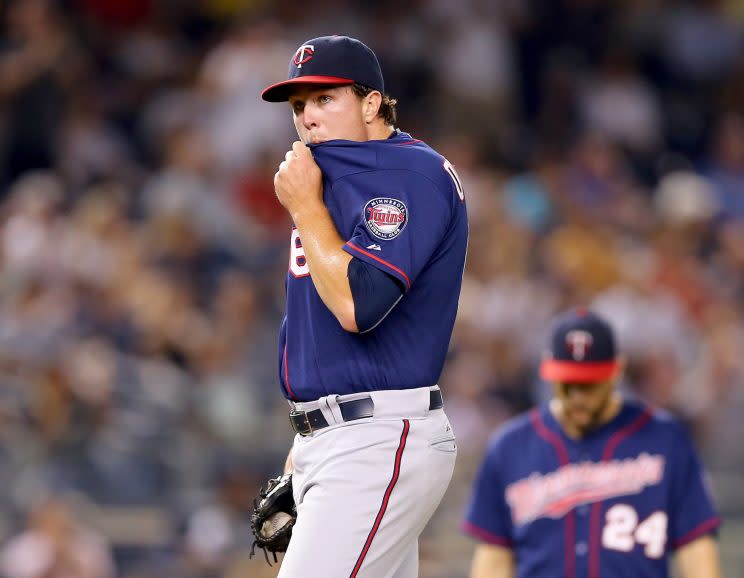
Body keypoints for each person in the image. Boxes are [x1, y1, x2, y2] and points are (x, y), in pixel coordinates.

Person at [260, 35, 469, 577]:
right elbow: (315, 326)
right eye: (300, 105)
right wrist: (304, 439)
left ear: (371, 102)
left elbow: (358, 305)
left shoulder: (408, 174)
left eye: (326, 99)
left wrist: (305, 207)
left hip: (378, 440)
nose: (308, 117)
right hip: (337, 437)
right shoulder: (331, 179)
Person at [462, 308, 722, 578]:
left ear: (615, 372)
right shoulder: (510, 446)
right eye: (567, 384)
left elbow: (696, 546)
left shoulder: (665, 440)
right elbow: (493, 557)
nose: (576, 396)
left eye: (588, 385)